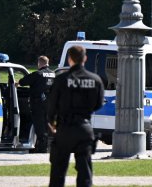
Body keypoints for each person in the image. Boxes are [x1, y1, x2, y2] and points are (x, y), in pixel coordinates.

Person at [47, 45, 105, 187]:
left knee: (58, 172)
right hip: (84, 128)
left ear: (70, 59)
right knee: (85, 172)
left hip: (64, 129)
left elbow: (51, 106)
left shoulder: (61, 80)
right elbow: (98, 104)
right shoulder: (95, 80)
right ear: (85, 58)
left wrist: (52, 124)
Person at [21, 55, 56, 153]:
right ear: (47, 63)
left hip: (38, 105)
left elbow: (23, 81)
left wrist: (17, 83)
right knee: (47, 124)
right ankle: (47, 146)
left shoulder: (37, 74)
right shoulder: (53, 74)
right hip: (50, 105)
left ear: (39, 63)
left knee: (39, 126)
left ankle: (42, 147)